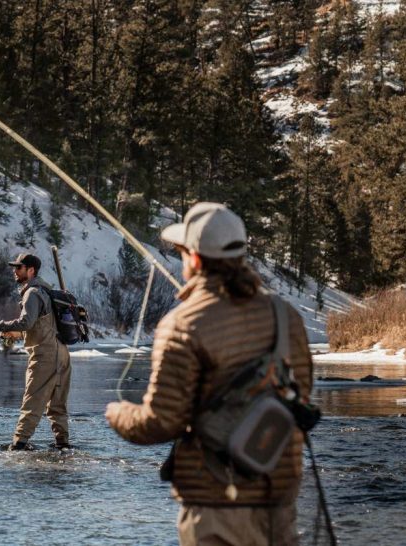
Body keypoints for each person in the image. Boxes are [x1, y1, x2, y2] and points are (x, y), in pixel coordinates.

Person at [105, 202, 313, 546]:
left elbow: (162, 421)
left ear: (196, 259)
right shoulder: (285, 315)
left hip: (215, 502)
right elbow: (299, 397)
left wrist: (118, 415)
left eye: (182, 251)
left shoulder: (183, 324)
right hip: (279, 500)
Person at [0, 253, 72, 451]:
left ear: (31, 270)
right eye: (15, 267)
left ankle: (18, 445)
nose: (15, 271)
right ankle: (63, 444)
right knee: (57, 406)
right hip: (62, 354)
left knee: (32, 400)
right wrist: (16, 334)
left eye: (19, 268)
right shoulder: (47, 291)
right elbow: (39, 327)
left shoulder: (32, 292)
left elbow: (27, 322)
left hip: (45, 356)